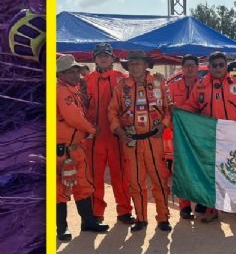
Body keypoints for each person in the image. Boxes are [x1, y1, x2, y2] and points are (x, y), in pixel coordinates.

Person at [184, 51, 236, 222]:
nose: (218, 68)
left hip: (233, 134)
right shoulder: (201, 85)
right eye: (214, 65)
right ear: (209, 67)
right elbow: (191, 106)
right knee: (213, 173)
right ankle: (212, 209)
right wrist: (178, 112)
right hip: (210, 135)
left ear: (226, 66)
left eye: (221, 65)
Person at [108, 51, 173, 232]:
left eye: (138, 63)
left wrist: (163, 125)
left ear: (146, 65)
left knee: (160, 180)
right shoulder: (121, 87)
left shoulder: (159, 82)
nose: (134, 67)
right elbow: (112, 111)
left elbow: (168, 108)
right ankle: (141, 218)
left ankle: (163, 218)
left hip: (154, 140)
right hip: (131, 142)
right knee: (135, 182)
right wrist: (119, 131)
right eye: (131, 64)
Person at [56, 54, 109, 241]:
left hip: (76, 147)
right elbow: (73, 117)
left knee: (83, 185)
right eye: (72, 71)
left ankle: (88, 222)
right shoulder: (61, 91)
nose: (77, 74)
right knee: (59, 189)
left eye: (77, 70)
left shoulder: (72, 90)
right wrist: (91, 129)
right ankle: (61, 228)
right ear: (61, 73)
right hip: (62, 149)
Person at [83, 42, 133, 225]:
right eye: (100, 55)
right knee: (94, 177)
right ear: (94, 58)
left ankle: (124, 211)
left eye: (107, 55)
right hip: (94, 138)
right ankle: (97, 212)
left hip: (116, 137)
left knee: (121, 176)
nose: (103, 58)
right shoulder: (86, 80)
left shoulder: (123, 78)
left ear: (113, 58)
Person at [166, 54, 202, 219]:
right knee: (181, 170)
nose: (189, 68)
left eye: (192, 66)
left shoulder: (204, 86)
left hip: (199, 135)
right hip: (178, 135)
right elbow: (165, 109)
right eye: (186, 65)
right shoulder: (172, 87)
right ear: (182, 67)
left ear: (197, 67)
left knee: (199, 168)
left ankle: (201, 201)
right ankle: (184, 206)